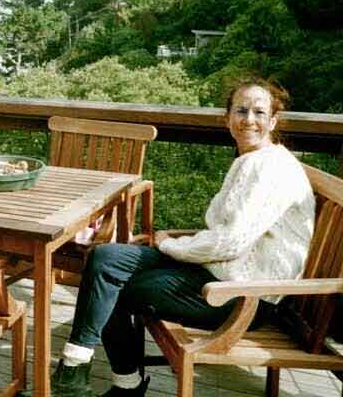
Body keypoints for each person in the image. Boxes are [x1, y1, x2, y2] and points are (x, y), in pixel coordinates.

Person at [31, 78, 316, 397]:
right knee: (104, 257)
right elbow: (226, 238)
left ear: (273, 121)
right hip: (217, 272)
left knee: (115, 286)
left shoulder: (270, 168)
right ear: (227, 119)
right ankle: (74, 368)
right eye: (241, 110)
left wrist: (169, 244)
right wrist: (175, 245)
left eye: (259, 112)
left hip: (243, 296)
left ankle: (118, 385)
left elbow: (230, 242)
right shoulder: (252, 160)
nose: (249, 119)